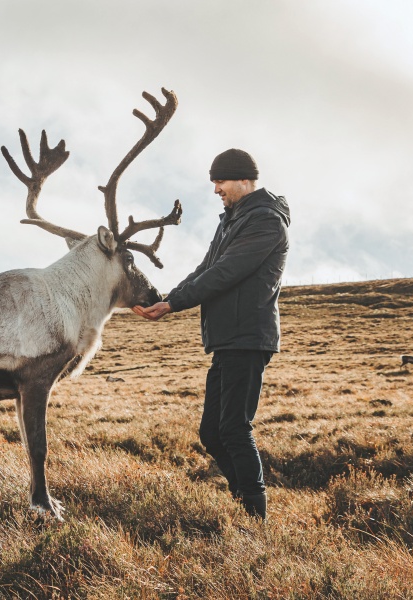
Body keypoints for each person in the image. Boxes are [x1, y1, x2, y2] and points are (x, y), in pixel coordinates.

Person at [133, 148, 290, 520]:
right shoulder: (232, 221)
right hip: (227, 340)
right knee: (212, 432)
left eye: (220, 181)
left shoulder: (266, 221)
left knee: (234, 427)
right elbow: (207, 267)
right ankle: (244, 506)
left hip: (248, 337)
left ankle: (255, 518)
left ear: (243, 179)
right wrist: (168, 298)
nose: (216, 189)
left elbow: (226, 273)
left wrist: (173, 305)